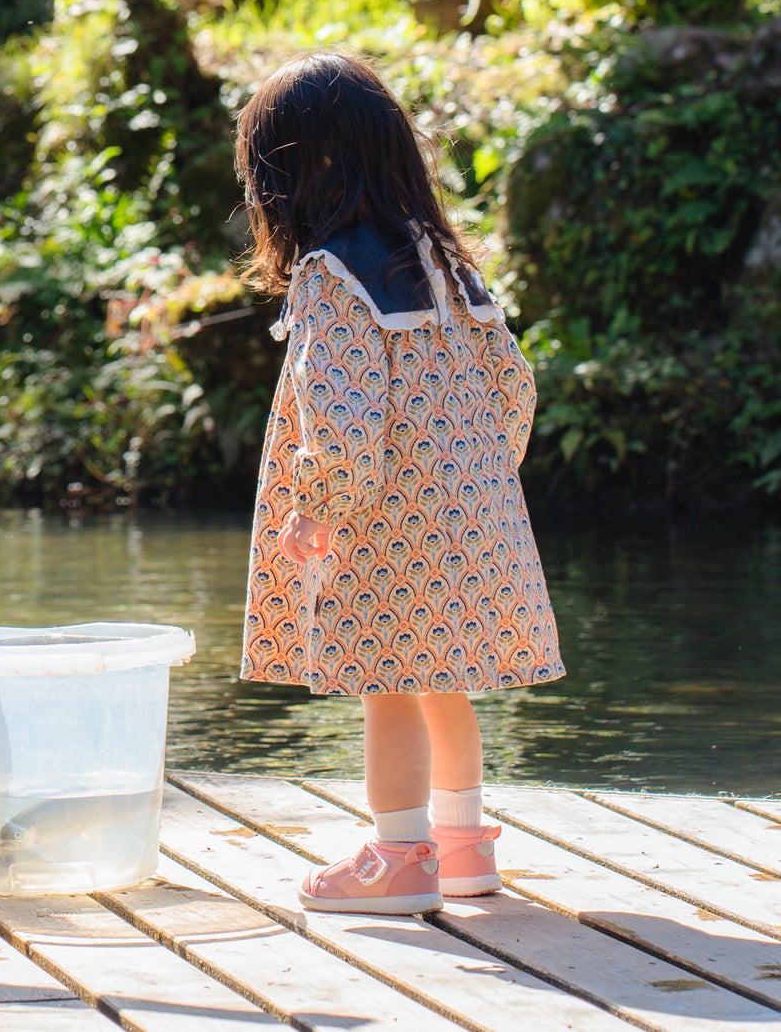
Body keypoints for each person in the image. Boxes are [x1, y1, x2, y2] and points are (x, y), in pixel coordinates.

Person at [234, 51, 564, 915]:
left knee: (387, 687)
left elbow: (344, 423)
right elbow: (513, 389)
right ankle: (462, 846)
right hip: (471, 514)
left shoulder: (330, 278)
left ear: (308, 171)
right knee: (442, 678)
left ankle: (398, 856)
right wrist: (477, 483)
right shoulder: (450, 265)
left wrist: (319, 505)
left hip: (384, 521)